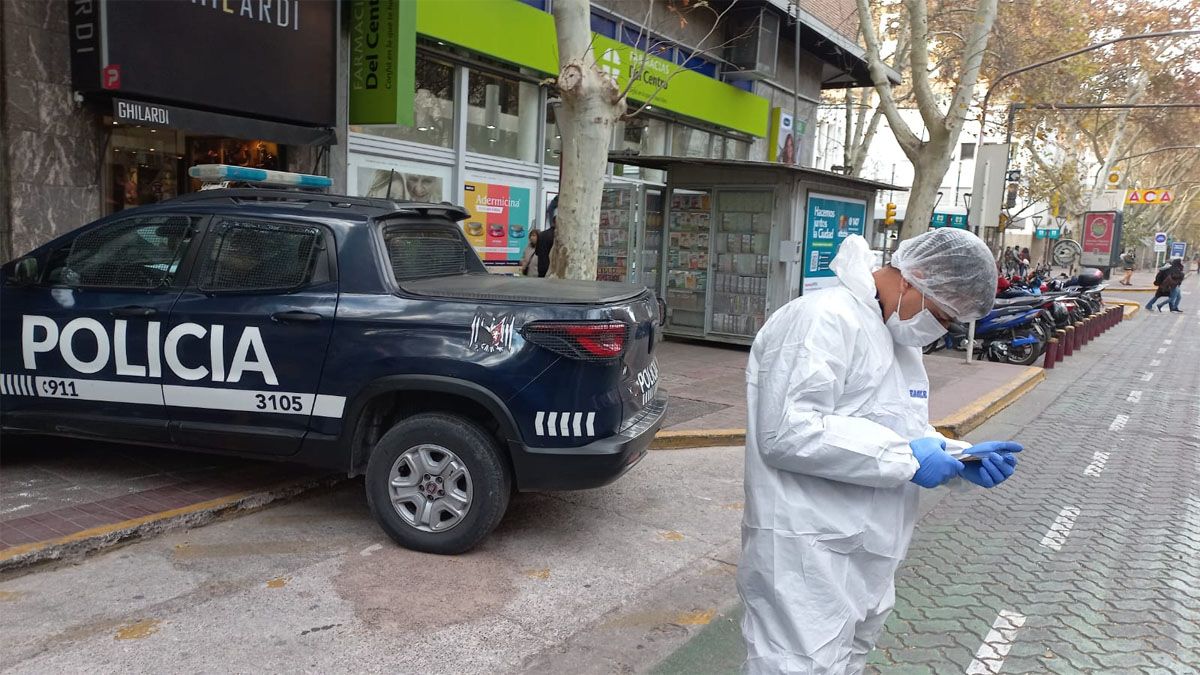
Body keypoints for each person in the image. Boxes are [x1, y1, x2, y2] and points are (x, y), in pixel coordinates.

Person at [739, 228, 1022, 674]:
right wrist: (908, 459)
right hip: (807, 549)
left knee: (847, 660)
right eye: (943, 315)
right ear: (916, 277)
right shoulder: (822, 318)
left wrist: (957, 457)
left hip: (869, 549)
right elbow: (788, 431)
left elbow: (896, 428)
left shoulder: (894, 338)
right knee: (796, 665)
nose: (938, 330)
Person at [534, 196, 558, 278]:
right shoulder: (557, 237)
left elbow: (537, 252)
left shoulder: (541, 234)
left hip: (541, 268)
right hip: (552, 270)